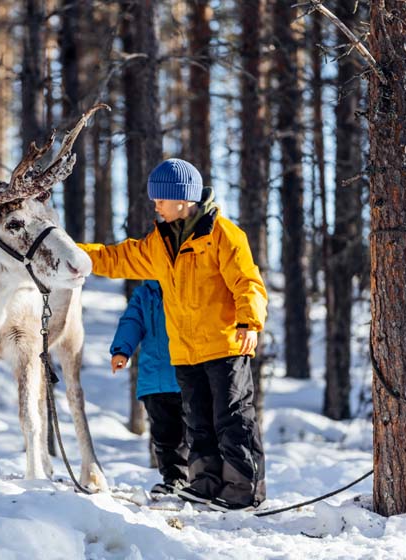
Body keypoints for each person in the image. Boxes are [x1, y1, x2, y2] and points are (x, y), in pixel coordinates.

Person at [79, 158, 268, 511]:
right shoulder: (159, 243)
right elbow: (118, 257)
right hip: (185, 351)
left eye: (160, 200)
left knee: (231, 419)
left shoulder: (223, 234)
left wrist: (249, 322)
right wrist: (75, 254)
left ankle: (244, 491)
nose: (156, 206)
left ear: (182, 199)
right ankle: (205, 484)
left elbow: (248, 282)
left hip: (225, 345)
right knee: (198, 423)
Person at [110, 280, 188, 497]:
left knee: (194, 433)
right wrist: (121, 350)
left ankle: (201, 480)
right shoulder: (145, 293)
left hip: (186, 375)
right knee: (164, 436)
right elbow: (131, 322)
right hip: (154, 379)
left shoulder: (187, 286)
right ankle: (175, 480)